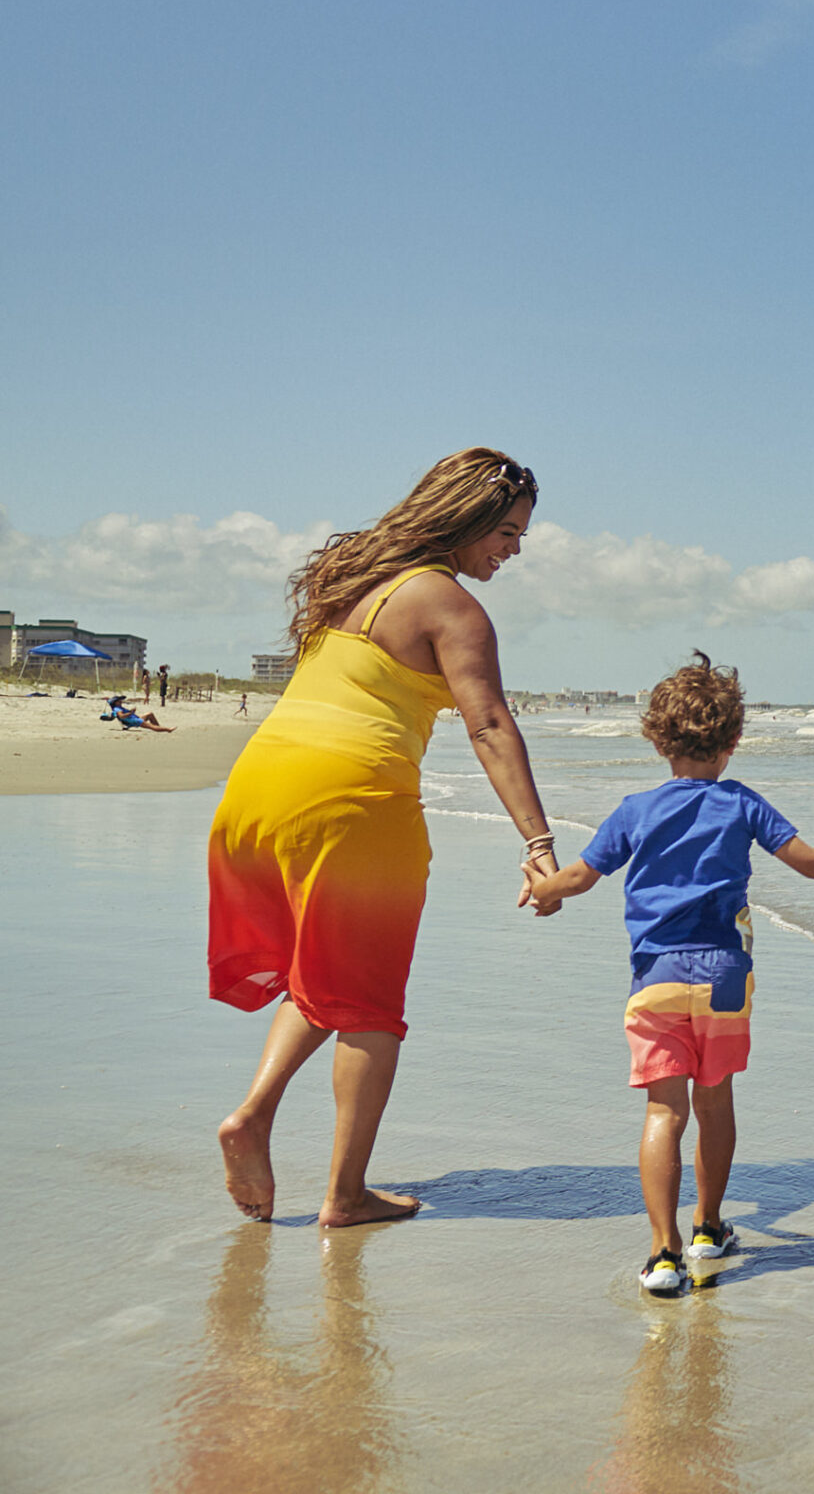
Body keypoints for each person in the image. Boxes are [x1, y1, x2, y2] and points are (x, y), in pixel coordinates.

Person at [206, 448, 557, 1227]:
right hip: (352, 802)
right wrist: (539, 843)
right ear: (463, 520)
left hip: (260, 788)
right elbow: (490, 725)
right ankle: (344, 1194)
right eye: (506, 530)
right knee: (370, 1005)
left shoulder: (352, 577)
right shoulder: (452, 608)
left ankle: (255, 1117)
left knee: (323, 970)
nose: (514, 549)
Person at [522, 653, 814, 1294]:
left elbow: (579, 876)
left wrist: (545, 890)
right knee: (714, 1103)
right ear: (734, 741)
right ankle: (710, 1229)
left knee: (665, 1110)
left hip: (656, 976)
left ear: (657, 741)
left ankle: (663, 1255)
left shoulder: (636, 810)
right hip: (724, 976)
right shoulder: (741, 804)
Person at [104, 694, 175, 733]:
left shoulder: (119, 707)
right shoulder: (117, 709)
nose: (121, 702)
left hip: (135, 718)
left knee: (150, 714)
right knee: (150, 726)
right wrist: (131, 712)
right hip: (134, 721)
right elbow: (122, 716)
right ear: (115, 702)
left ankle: (159, 728)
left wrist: (131, 712)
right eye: (119, 701)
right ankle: (168, 730)